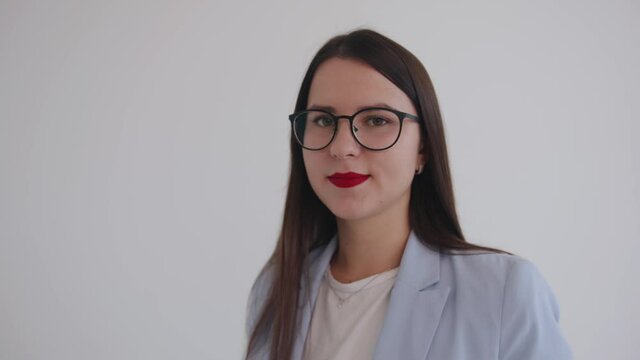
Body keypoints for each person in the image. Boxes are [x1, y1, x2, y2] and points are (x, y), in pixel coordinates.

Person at [243, 28, 572, 360]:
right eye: (324, 120)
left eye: (376, 119)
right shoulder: (274, 290)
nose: (342, 147)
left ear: (423, 149)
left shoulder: (504, 291)